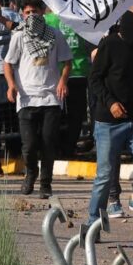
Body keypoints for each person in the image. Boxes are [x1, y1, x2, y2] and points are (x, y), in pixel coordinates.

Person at [85, 0, 133, 244]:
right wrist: (110, 103)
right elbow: (95, 79)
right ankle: (93, 224)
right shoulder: (110, 44)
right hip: (108, 121)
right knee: (104, 175)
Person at [4, 0, 71, 199]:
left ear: (42, 12)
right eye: (27, 13)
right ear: (22, 15)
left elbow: (67, 61)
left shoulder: (55, 35)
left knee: (48, 142)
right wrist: (11, 85)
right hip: (26, 98)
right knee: (30, 143)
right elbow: (8, 63)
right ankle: (30, 173)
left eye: (35, 12)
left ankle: (46, 183)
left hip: (50, 97)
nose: (32, 16)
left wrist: (62, 81)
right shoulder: (19, 36)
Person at [43, 9, 94, 158]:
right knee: (64, 115)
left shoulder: (78, 16)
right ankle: (63, 148)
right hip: (60, 73)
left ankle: (67, 148)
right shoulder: (50, 19)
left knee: (72, 115)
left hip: (75, 72)